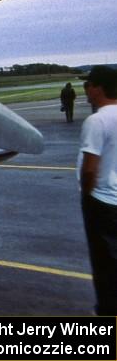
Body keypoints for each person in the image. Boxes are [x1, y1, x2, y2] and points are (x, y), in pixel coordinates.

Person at [77, 65, 117, 315]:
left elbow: (90, 168)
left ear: (98, 88)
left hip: (103, 203)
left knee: (105, 266)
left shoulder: (97, 120)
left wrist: (86, 194)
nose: (87, 90)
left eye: (88, 85)